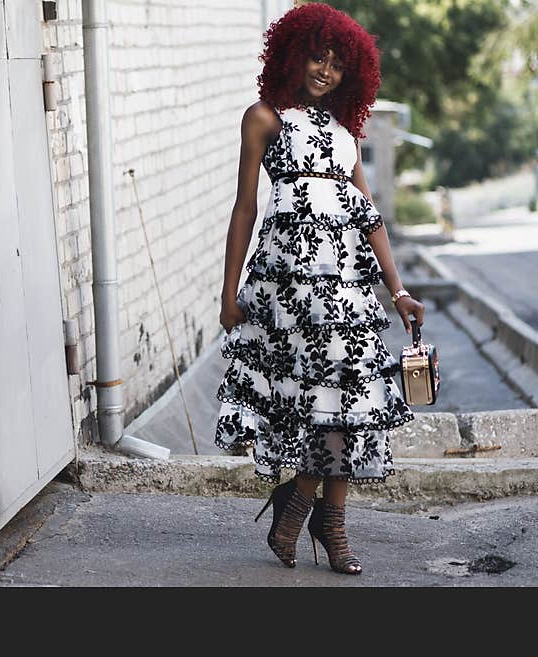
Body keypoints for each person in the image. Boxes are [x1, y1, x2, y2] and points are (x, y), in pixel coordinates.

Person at [214, 3, 425, 575]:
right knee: (320, 404)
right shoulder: (265, 118)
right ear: (292, 54)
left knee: (348, 398)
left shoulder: (345, 133)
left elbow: (368, 215)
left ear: (349, 74)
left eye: (336, 64)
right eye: (316, 56)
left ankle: (310, 510)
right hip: (287, 291)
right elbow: (245, 208)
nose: (324, 71)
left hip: (345, 286)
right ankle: (320, 521)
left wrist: (398, 289)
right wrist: (228, 292)